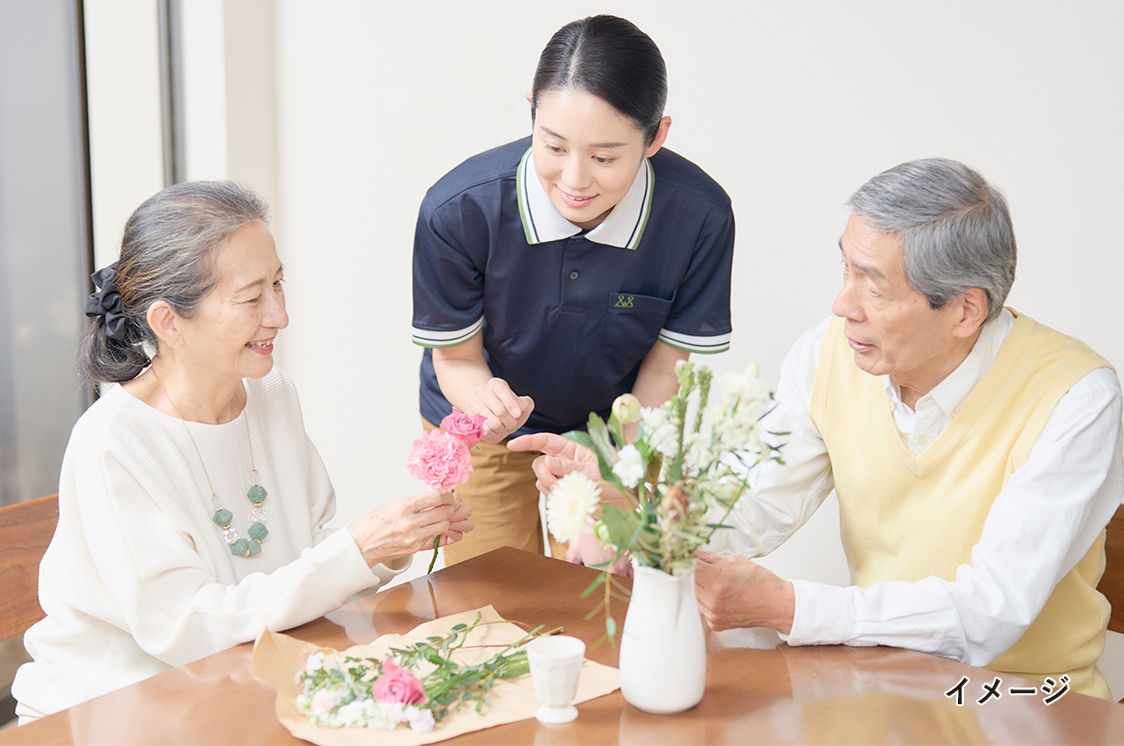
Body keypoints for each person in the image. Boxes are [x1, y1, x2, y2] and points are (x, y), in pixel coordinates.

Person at [521, 158, 1123, 700]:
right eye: (846, 270)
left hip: (1028, 708)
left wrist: (790, 608)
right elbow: (752, 505)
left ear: (966, 309)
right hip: (885, 690)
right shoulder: (831, 355)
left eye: (875, 286)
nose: (843, 306)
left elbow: (993, 611)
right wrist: (636, 514)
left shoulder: (1075, 398)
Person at [13, 182, 473, 723]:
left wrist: (390, 542)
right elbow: (185, 628)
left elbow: (304, 551)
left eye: (279, 285)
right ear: (168, 322)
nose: (278, 314)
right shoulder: (113, 443)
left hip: (246, 674)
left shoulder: (272, 395)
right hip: (119, 705)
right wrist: (357, 547)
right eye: (252, 298)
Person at [411, 15, 734, 565]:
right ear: (532, 109)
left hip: (617, 432)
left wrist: (609, 463)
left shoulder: (698, 216)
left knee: (602, 596)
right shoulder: (459, 210)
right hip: (492, 432)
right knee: (491, 605)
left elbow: (663, 369)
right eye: (553, 146)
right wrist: (488, 406)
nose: (575, 179)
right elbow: (459, 360)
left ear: (656, 135)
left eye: (605, 157)